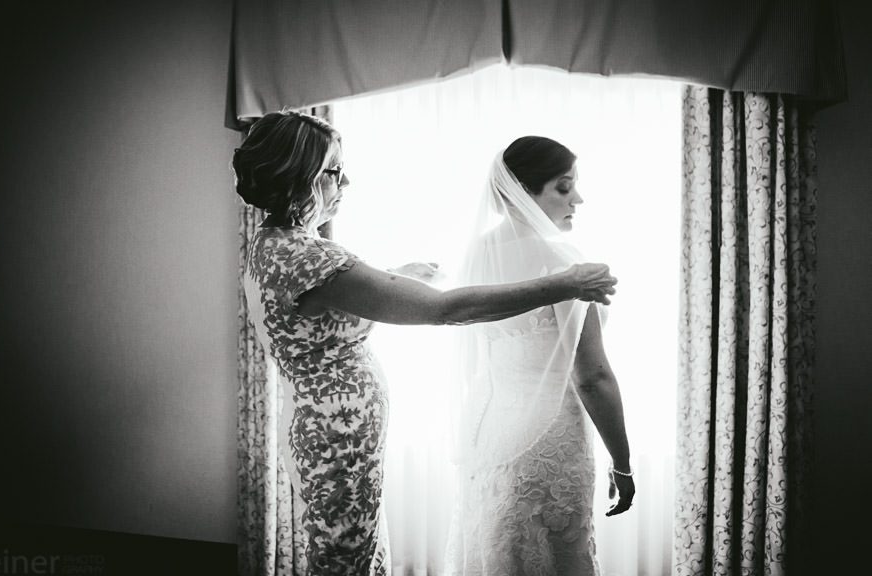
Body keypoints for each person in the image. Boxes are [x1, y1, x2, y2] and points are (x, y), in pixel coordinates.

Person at [232, 112, 618, 576]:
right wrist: (565, 284)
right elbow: (447, 310)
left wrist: (398, 277)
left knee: (350, 551)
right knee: (344, 562)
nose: (346, 181)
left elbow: (322, 312)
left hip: (322, 428)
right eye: (335, 172)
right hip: (335, 440)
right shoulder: (309, 257)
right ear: (300, 177)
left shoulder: (274, 245)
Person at [445, 136, 635, 576]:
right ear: (524, 191)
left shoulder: (478, 253)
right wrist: (622, 465)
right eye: (564, 187)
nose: (579, 199)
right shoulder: (564, 261)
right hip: (549, 439)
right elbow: (592, 376)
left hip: (489, 433)